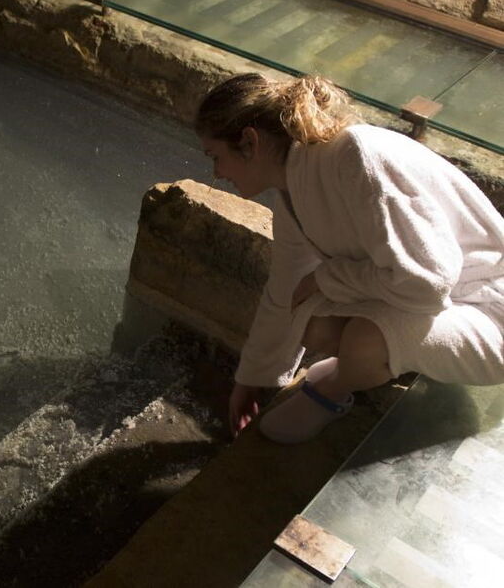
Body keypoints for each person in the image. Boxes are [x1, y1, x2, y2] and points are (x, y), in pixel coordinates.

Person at [194, 73, 504, 444]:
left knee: (364, 341)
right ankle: (383, 361)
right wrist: (251, 380)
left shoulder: (357, 156)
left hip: (490, 314)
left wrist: (326, 278)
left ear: (249, 142)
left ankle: (335, 388)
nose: (216, 173)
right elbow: (284, 290)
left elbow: (427, 283)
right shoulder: (294, 186)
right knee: (311, 320)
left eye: (216, 157)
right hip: (440, 303)